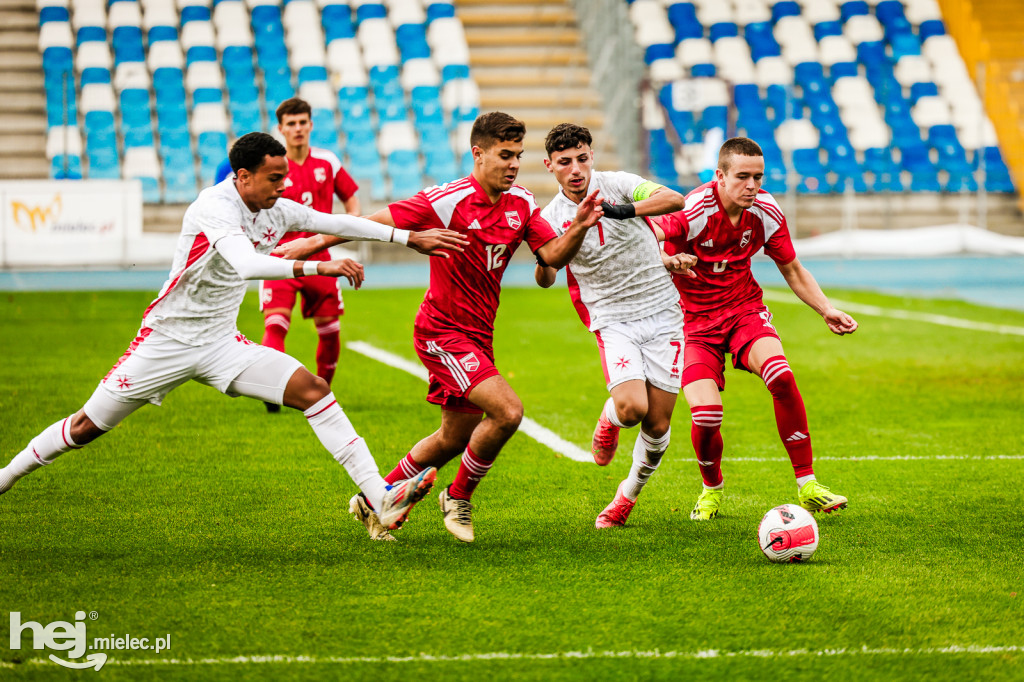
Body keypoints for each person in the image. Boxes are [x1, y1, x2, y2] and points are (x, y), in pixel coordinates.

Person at [0, 132, 469, 535]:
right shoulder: (214, 205)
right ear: (242, 176)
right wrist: (321, 264)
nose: (283, 186)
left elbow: (339, 221)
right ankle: (6, 476)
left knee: (314, 390)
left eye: (284, 176)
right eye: (273, 178)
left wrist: (409, 238)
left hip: (221, 343)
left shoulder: (276, 208)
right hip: (165, 341)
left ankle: (379, 499)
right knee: (85, 426)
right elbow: (246, 265)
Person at [277, 112, 604, 542]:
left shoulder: (522, 204)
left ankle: (376, 501)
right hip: (441, 331)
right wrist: (313, 243)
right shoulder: (446, 200)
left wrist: (579, 225)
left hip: (478, 337)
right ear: (478, 154)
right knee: (507, 412)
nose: (513, 164)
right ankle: (458, 496)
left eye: (518, 156)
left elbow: (552, 257)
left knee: (452, 438)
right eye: (504, 155)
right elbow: (373, 222)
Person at [653, 136, 857, 520]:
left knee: (781, 375)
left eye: (758, 177)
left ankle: (808, 484)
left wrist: (825, 309)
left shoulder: (765, 210)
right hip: (692, 323)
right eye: (743, 177)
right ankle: (711, 489)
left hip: (742, 310)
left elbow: (792, 268)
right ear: (720, 175)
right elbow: (647, 239)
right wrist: (667, 259)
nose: (752, 186)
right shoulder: (693, 210)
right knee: (707, 415)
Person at [533, 123, 696, 529]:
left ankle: (626, 497)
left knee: (658, 426)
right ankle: (609, 419)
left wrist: (621, 209)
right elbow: (545, 274)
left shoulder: (620, 185)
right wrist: (575, 230)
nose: (576, 169)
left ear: (592, 157)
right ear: (550, 167)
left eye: (582, 159)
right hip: (612, 318)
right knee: (632, 408)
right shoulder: (549, 217)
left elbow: (672, 199)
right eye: (565, 162)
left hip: (663, 313)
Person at [254, 97, 362, 414]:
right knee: (276, 325)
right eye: (291, 123)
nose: (298, 128)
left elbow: (352, 201)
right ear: (281, 129)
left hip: (322, 260)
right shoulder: (271, 166)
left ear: (311, 125)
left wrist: (343, 229)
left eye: (303, 122)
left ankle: (322, 394)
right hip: (280, 258)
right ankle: (271, 390)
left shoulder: (327, 161)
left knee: (330, 331)